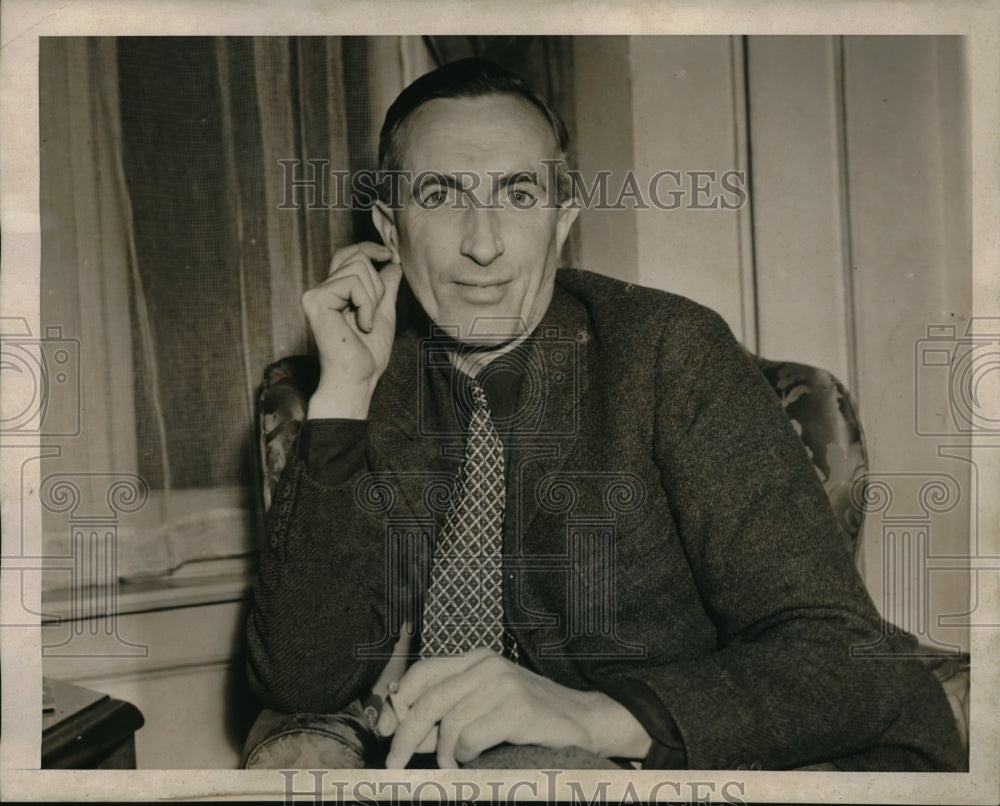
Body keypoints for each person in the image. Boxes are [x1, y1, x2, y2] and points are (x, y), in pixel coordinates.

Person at [245, 57, 965, 771]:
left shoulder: (668, 353)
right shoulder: (381, 379)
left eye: (519, 194)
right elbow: (303, 680)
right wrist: (341, 399)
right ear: (390, 229)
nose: (483, 243)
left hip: (689, 758)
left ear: (563, 220)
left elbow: (836, 649)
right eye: (440, 195)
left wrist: (594, 716)